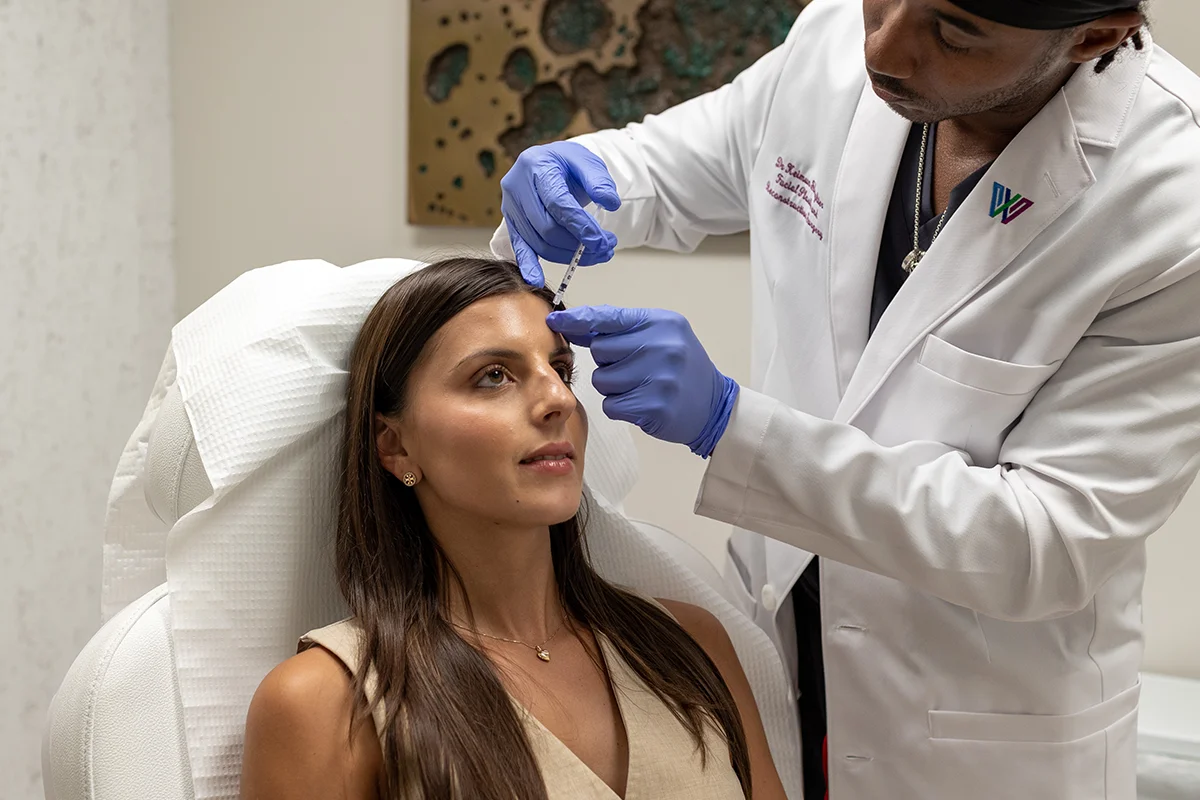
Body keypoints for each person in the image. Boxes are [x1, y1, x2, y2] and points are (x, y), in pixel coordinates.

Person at [492, 1, 1200, 798]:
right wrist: (582, 175)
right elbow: (683, 161)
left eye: (953, 33)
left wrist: (732, 425)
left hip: (972, 728)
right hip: (782, 658)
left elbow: (1045, 543)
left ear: (1095, 35)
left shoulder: (1173, 199)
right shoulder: (836, 38)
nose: (883, 51)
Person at [237, 257, 788, 800]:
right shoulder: (327, 704)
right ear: (395, 445)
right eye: (494, 376)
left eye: (562, 369)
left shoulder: (690, 646)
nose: (559, 399)